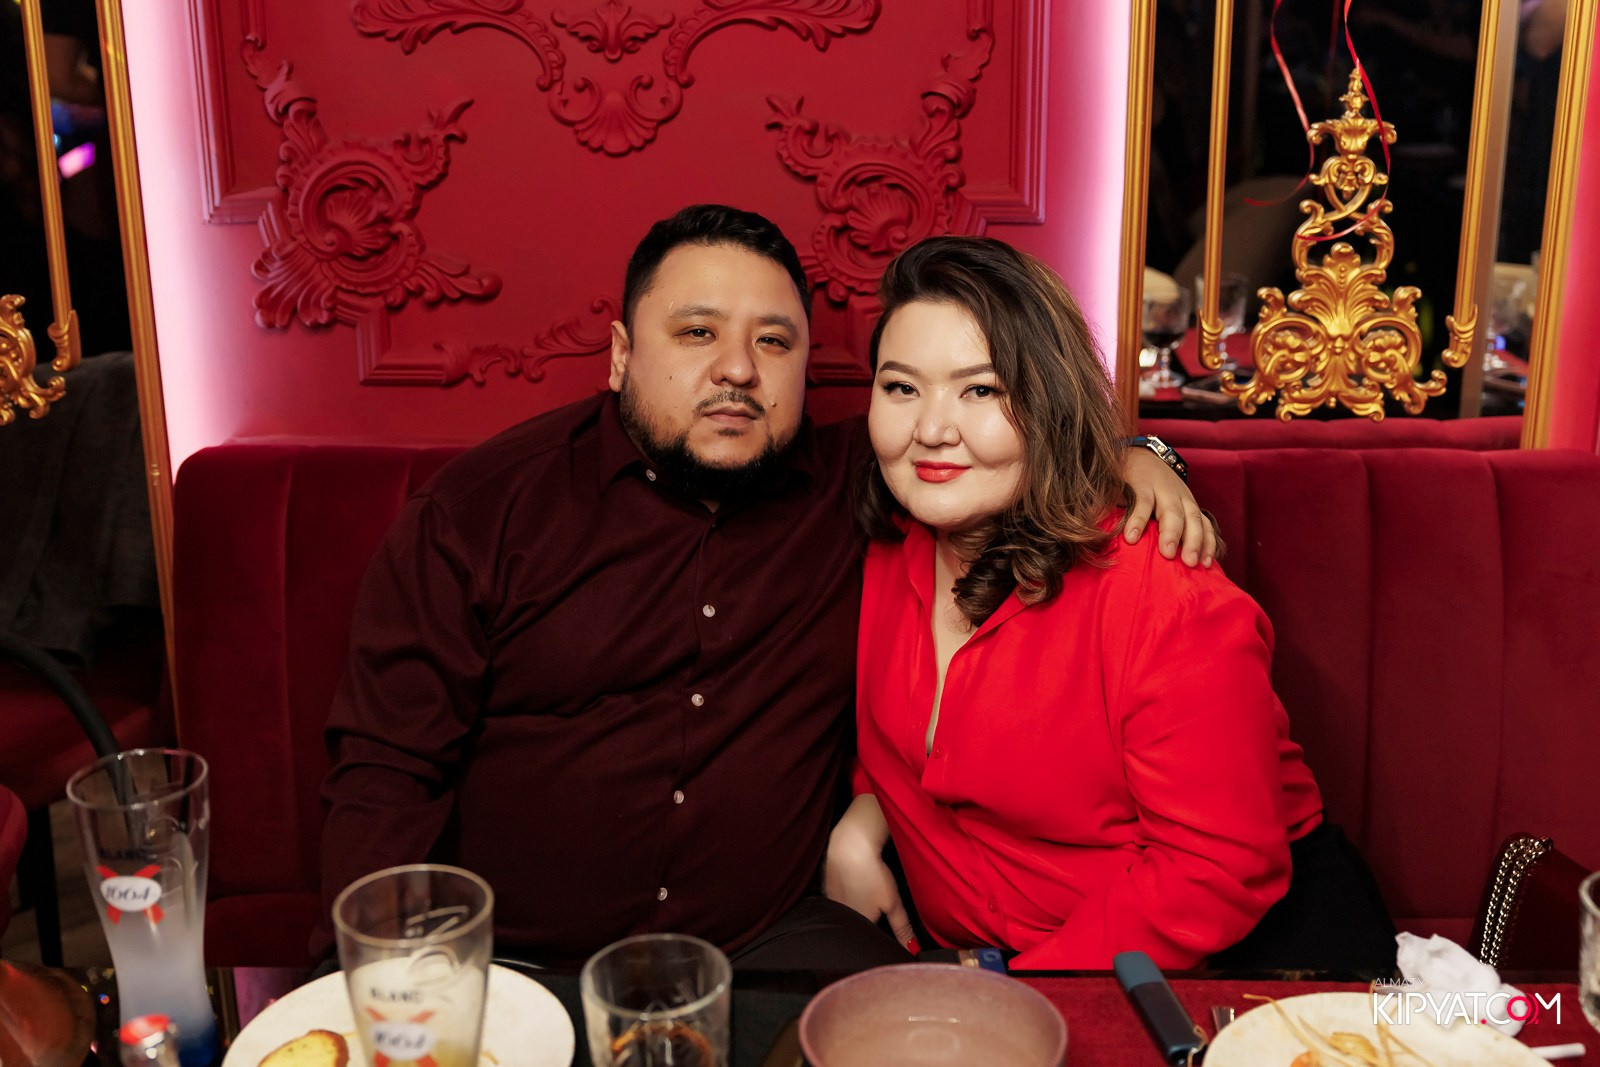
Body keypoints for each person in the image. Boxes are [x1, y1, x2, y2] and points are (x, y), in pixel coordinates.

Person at [318, 205, 1214, 969]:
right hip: (526, 965)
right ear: (621, 355)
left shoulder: (876, 481)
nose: (739, 369)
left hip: (768, 949)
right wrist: (387, 984)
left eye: (773, 341)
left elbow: (1014, 431)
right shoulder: (479, 514)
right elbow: (385, 774)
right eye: (697, 333)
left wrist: (1141, 454)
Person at [826, 235, 1395, 970]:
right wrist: (861, 823)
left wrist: (1011, 990)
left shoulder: (1159, 591)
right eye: (901, 388)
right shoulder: (886, 547)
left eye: (982, 390)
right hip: (988, 964)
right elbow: (909, 753)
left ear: (1050, 403)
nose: (931, 430)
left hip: (1227, 966)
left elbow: (1216, 870)